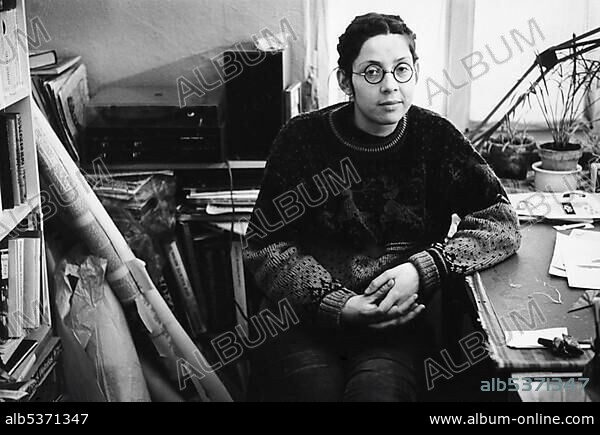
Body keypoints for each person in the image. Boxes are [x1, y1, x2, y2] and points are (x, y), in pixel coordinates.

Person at [243, 12, 521, 402]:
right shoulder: (302, 139)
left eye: (401, 70)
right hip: (307, 321)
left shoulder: (435, 138)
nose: (390, 86)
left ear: (416, 71)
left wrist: (423, 268)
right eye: (372, 72)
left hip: (398, 323)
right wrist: (336, 304)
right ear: (345, 80)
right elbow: (265, 244)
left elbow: (502, 222)